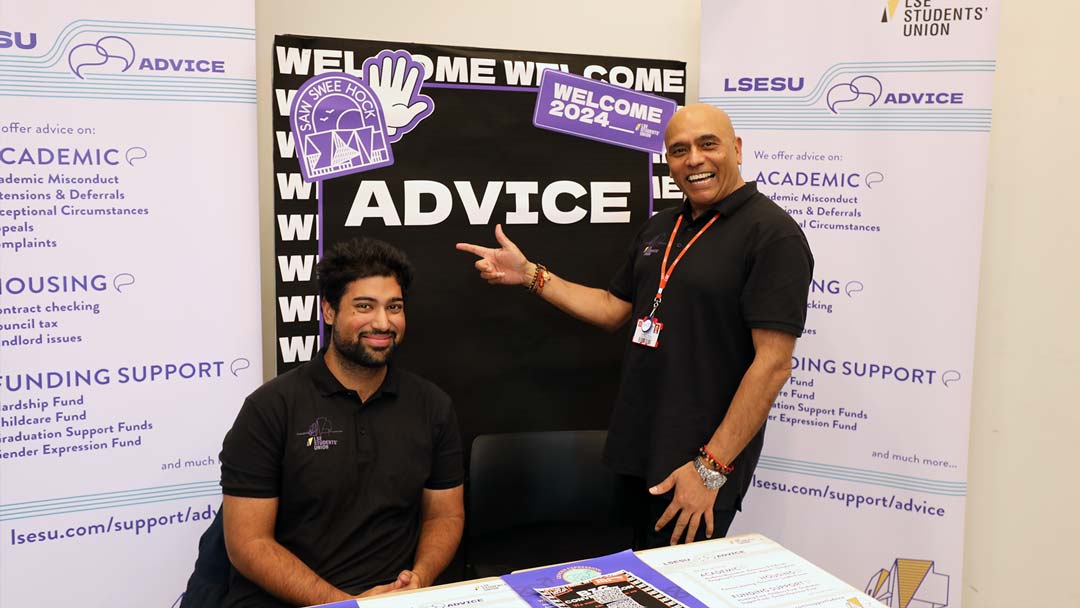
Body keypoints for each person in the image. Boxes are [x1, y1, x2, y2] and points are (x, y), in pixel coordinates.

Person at [457, 104, 813, 548]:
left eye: (708, 144)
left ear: (737, 150)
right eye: (679, 150)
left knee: (678, 594)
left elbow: (774, 365)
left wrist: (710, 468)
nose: (694, 160)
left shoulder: (773, 234)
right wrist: (530, 274)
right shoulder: (661, 226)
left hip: (698, 467)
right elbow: (611, 308)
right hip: (637, 451)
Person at [218, 238, 465, 607]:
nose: (383, 322)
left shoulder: (432, 405)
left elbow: (444, 515)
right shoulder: (270, 408)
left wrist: (419, 580)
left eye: (394, 307)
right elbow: (248, 544)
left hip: (394, 598)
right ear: (329, 311)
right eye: (364, 306)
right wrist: (345, 605)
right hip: (293, 599)